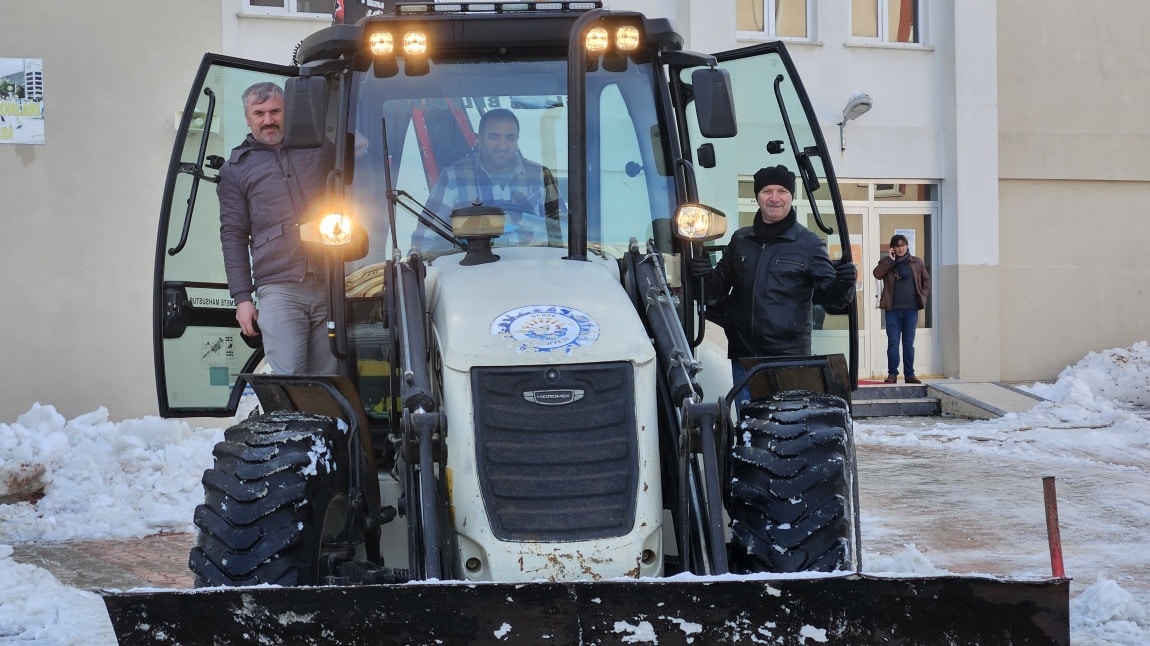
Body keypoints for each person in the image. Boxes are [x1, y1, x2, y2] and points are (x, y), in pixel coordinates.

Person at [692, 165, 857, 402]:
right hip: (744, 359)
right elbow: (713, 294)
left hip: (788, 361)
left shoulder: (809, 244)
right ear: (757, 196)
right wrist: (703, 274)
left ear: (791, 196)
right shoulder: (740, 240)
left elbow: (834, 300)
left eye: (782, 191)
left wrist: (844, 283)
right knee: (748, 432)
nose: (774, 198)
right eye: (767, 191)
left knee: (786, 433)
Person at [218, 81, 338, 375]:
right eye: (259, 113)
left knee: (331, 381)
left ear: (289, 112)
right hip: (279, 289)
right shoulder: (235, 169)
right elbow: (233, 235)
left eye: (275, 111)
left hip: (331, 283)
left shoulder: (321, 149)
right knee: (289, 380)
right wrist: (243, 299)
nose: (268, 120)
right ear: (247, 118)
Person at [412, 108, 562, 252]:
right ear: (479, 139)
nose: (502, 146)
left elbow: (563, 232)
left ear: (517, 140)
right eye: (494, 137)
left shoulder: (540, 177)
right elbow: (425, 239)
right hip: (468, 271)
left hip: (532, 270)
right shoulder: (453, 178)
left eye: (509, 138)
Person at [873, 233, 931, 384]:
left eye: (903, 245)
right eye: (897, 246)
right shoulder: (886, 262)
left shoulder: (916, 262)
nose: (900, 249)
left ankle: (909, 375)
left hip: (911, 310)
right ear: (892, 248)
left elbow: (926, 281)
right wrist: (891, 262)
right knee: (893, 342)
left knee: (908, 344)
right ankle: (892, 374)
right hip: (892, 310)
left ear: (907, 245)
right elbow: (877, 274)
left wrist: (923, 296)